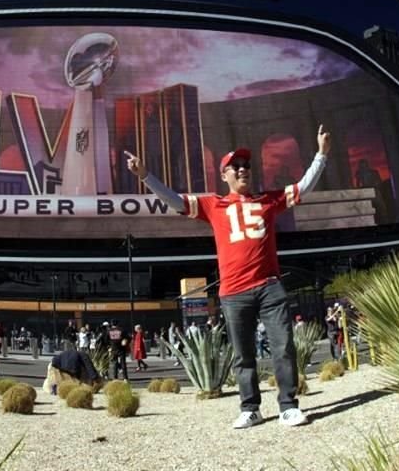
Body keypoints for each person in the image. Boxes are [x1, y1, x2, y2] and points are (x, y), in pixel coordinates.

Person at [126, 123, 331, 429]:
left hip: (270, 287)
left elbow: (303, 187)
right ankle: (250, 408)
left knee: (283, 347)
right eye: (235, 166)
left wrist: (321, 155)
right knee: (243, 353)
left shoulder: (268, 200)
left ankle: (288, 406)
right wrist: (145, 176)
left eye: (246, 165)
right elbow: (174, 200)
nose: (243, 169)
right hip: (233, 292)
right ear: (224, 175)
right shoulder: (213, 204)